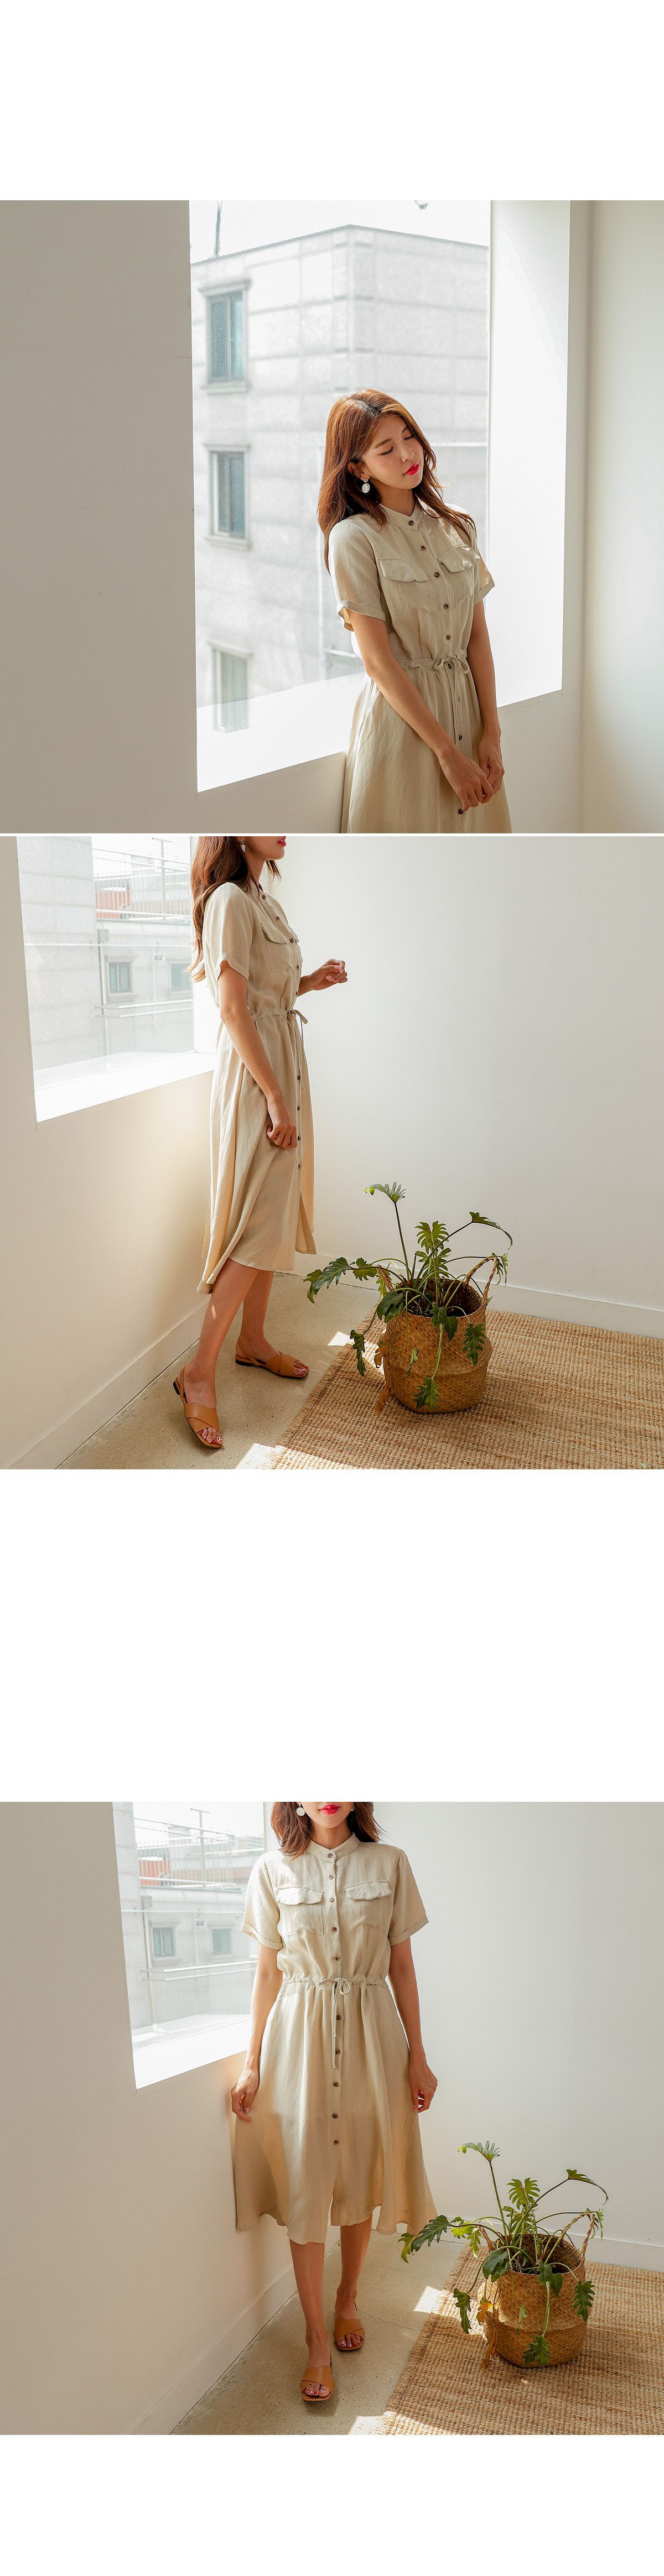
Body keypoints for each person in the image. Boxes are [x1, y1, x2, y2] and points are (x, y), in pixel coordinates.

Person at [231, 1801, 438, 2405]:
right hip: (299, 2040)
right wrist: (252, 2061)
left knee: (356, 2170)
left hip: (374, 2035)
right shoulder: (271, 1870)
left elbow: (403, 1967)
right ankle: (316, 2339)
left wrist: (418, 2056)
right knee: (307, 2180)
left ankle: (348, 2297)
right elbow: (267, 1973)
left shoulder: (390, 1862)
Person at [174, 837, 346, 1449]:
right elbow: (232, 1009)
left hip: (281, 1063)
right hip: (259, 1079)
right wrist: (273, 1096)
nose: (284, 829)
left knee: (272, 1219)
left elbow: (264, 993)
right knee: (255, 1227)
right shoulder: (228, 900)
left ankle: (252, 1341)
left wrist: (309, 982)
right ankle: (198, 1373)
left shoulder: (263, 900)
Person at [319, 389, 511, 836]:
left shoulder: (458, 525)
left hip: (469, 718)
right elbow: (378, 662)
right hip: (403, 729)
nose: (408, 454)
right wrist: (447, 753)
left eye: (409, 437)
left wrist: (492, 733)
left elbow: (477, 637)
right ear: (359, 468)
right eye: (386, 449)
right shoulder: (354, 538)